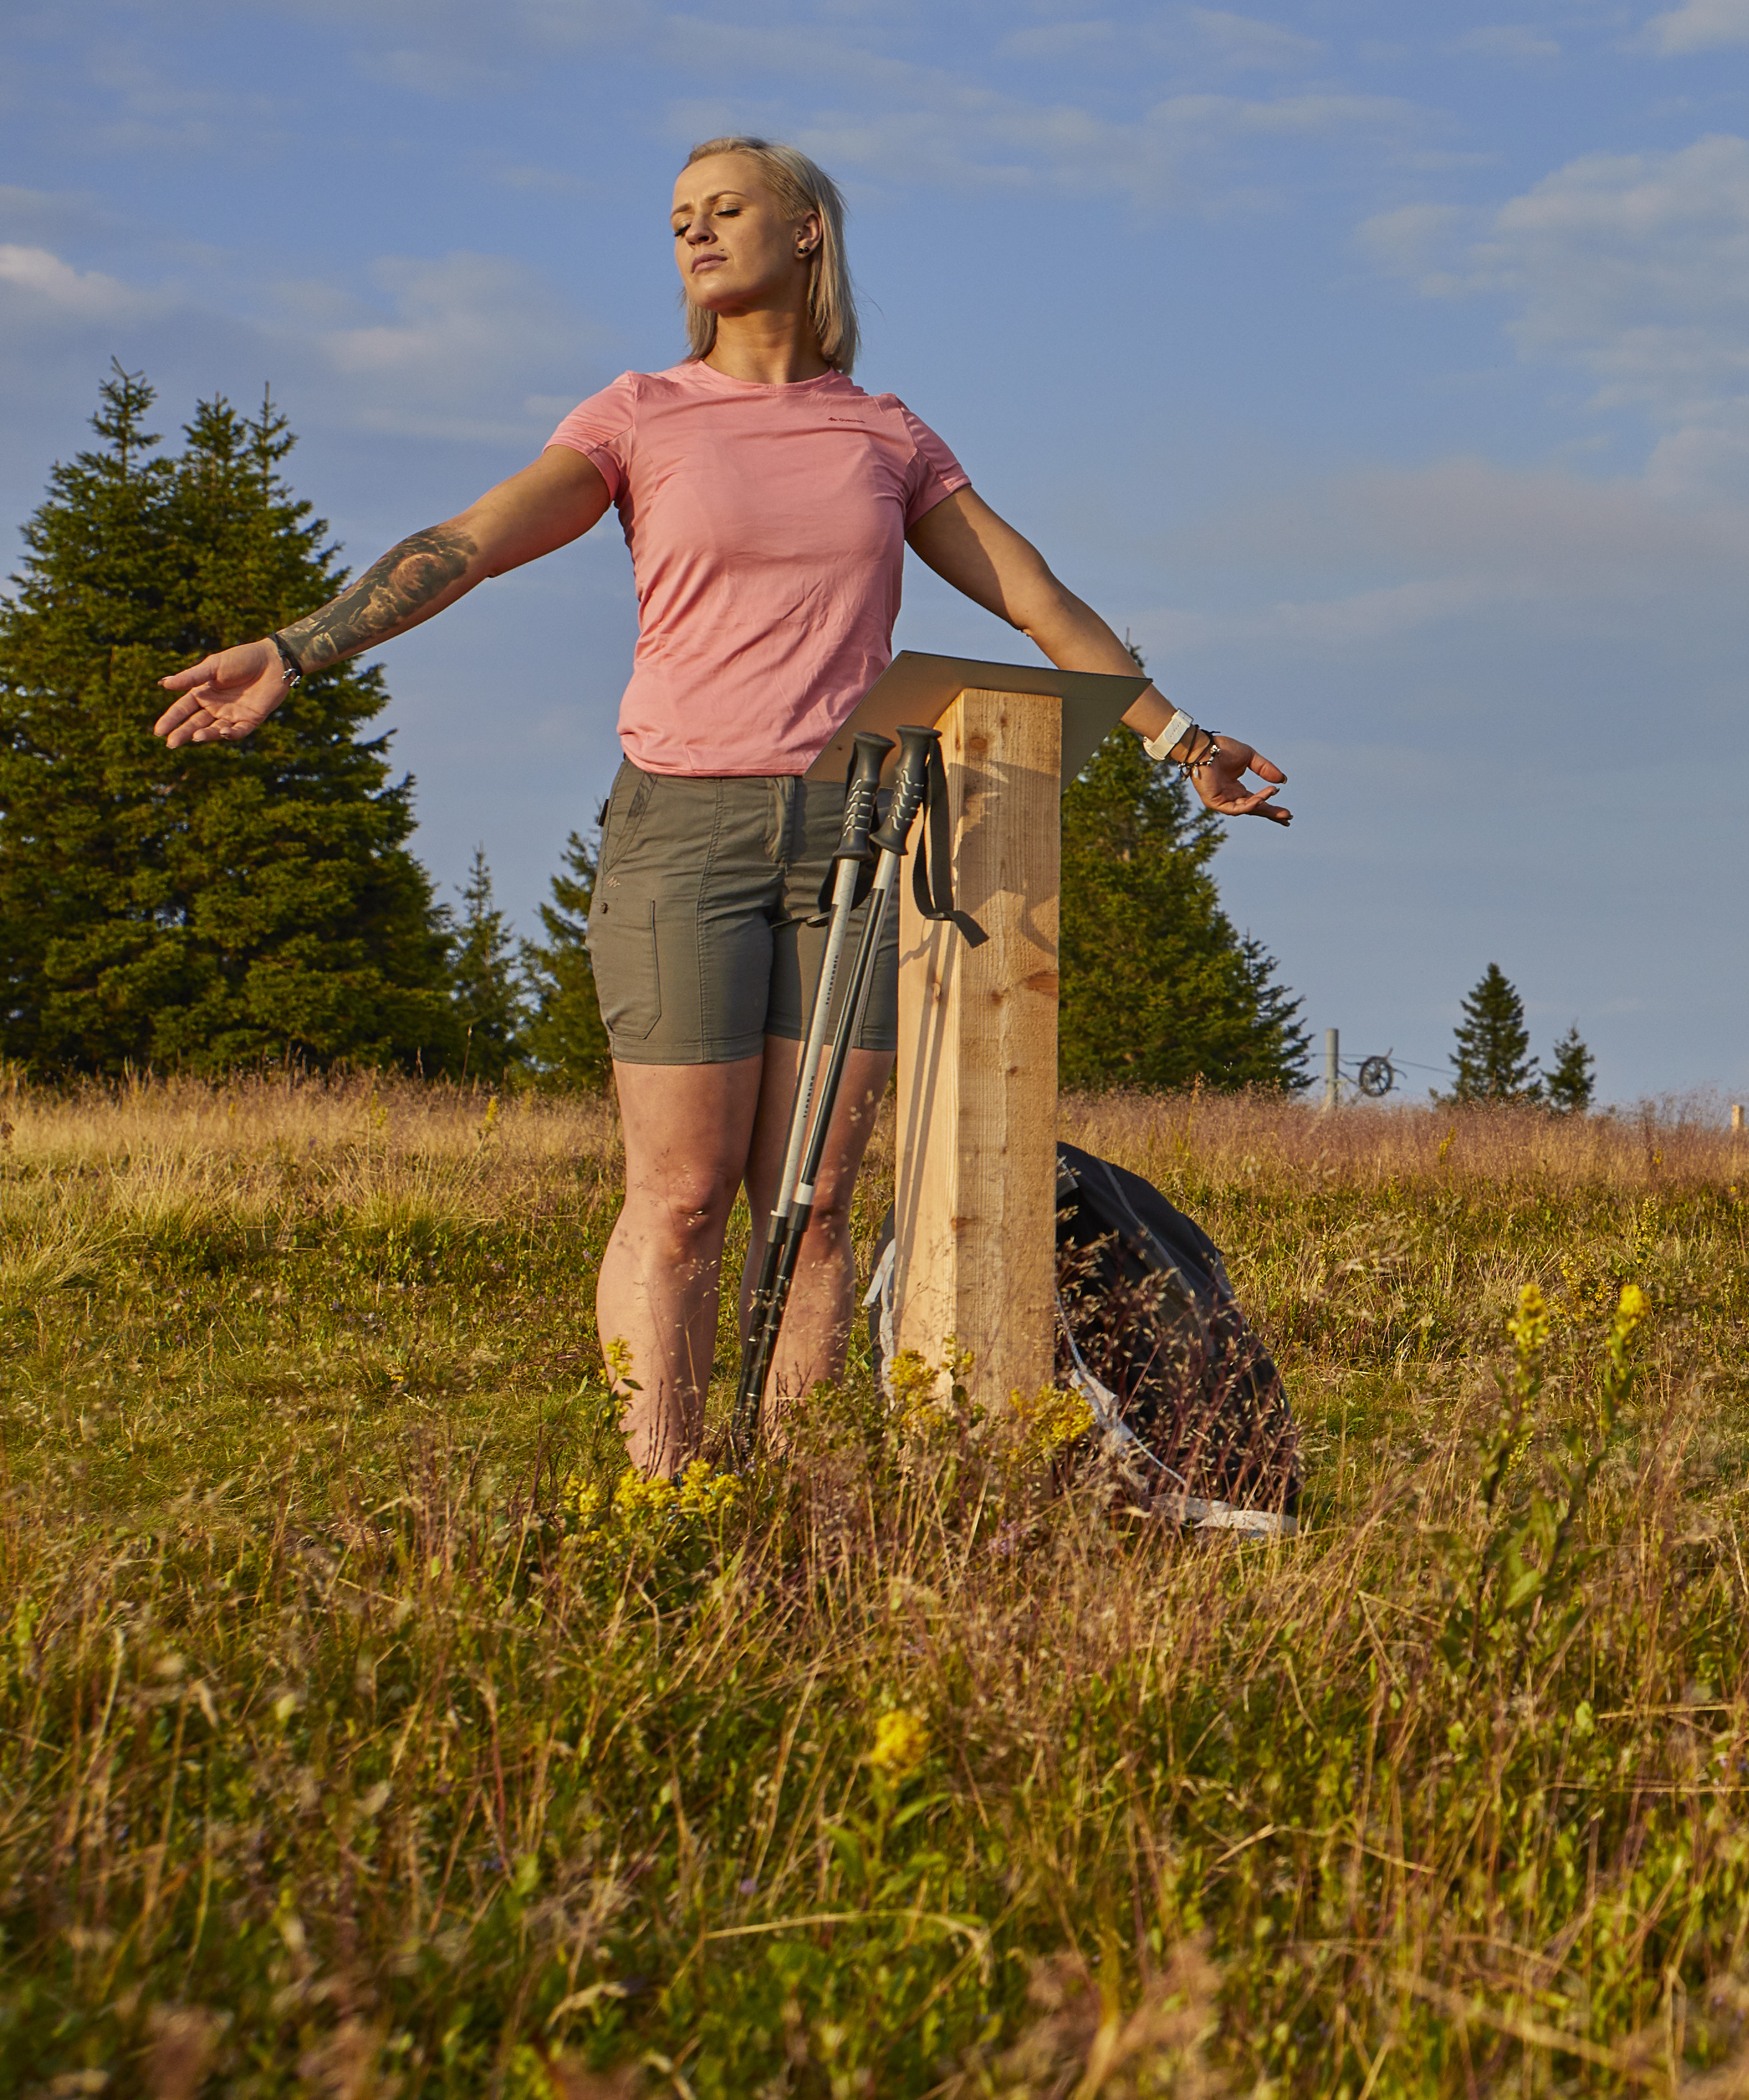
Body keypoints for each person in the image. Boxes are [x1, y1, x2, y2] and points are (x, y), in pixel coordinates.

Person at [151, 138, 1289, 1472]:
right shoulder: (639, 413)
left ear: (806, 230)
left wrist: (1182, 739)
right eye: (679, 217)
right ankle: (666, 1498)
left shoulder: (887, 433)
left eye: (725, 207)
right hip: (683, 834)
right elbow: (470, 540)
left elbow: (1036, 597)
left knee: (810, 1206)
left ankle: (796, 1505)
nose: (694, 231)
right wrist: (297, 648)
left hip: (862, 843)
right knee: (684, 1195)